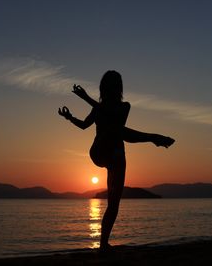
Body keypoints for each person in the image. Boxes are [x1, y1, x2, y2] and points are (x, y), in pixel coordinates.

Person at [58, 71, 175, 250]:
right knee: (117, 131)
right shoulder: (98, 107)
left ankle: (103, 243)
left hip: (116, 156)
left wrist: (86, 99)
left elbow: (110, 116)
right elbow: (84, 125)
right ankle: (153, 137)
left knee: (114, 203)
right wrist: (70, 117)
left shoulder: (123, 107)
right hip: (100, 151)